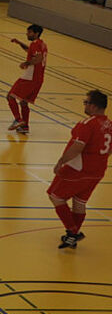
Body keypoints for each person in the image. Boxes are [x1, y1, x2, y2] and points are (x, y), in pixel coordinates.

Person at [47, 89, 111, 249]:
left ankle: (73, 231)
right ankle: (72, 237)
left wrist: (61, 162)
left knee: (55, 196)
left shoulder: (88, 124)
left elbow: (77, 147)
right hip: (98, 171)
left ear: (94, 106)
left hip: (78, 169)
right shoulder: (110, 125)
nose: (85, 105)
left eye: (86, 102)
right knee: (80, 201)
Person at [6, 23, 47, 135]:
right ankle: (25, 127)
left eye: (29, 32)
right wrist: (20, 43)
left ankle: (18, 119)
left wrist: (26, 63)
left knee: (10, 96)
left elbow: (38, 58)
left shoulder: (35, 44)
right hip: (39, 79)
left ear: (36, 33)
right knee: (24, 102)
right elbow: (30, 51)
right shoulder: (41, 44)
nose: (27, 34)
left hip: (30, 77)